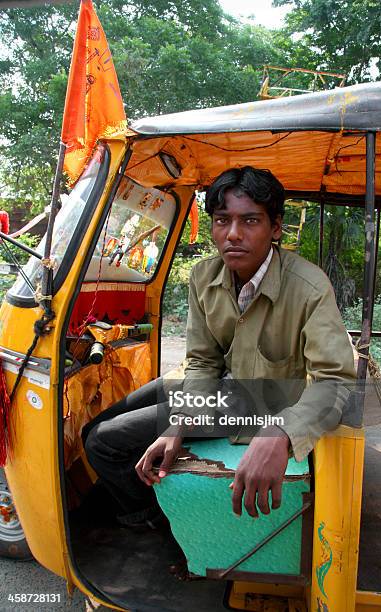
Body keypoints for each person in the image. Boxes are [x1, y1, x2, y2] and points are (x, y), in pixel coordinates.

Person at [83, 166, 356, 526]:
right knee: (94, 426)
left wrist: (282, 432)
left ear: (275, 228)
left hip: (260, 403)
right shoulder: (204, 276)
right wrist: (182, 420)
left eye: (250, 221)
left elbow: (335, 381)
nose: (233, 234)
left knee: (103, 442)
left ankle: (151, 521)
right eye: (222, 220)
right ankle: (139, 500)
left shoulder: (308, 286)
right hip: (216, 390)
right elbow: (202, 360)